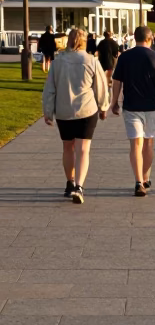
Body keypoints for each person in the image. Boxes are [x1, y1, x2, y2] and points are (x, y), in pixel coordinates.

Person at [42, 27, 108, 204]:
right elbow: (100, 86)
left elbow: (50, 89)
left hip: (64, 111)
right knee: (83, 149)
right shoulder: (91, 61)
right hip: (86, 110)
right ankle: (79, 186)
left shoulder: (57, 63)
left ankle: (70, 182)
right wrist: (103, 106)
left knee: (67, 147)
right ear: (84, 41)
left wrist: (48, 111)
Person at [111, 25, 155, 197]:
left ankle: (138, 181)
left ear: (134, 38)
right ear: (150, 39)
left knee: (136, 144)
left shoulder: (125, 57)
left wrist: (113, 102)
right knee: (148, 142)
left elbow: (117, 81)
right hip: (152, 106)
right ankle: (145, 178)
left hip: (131, 105)